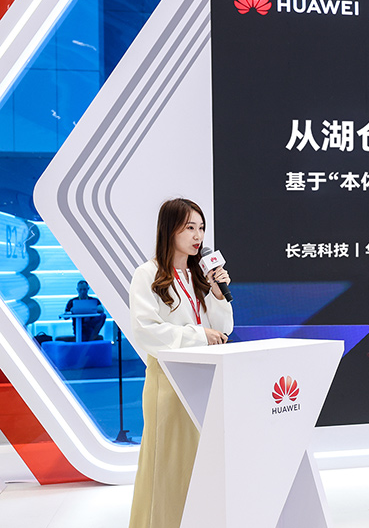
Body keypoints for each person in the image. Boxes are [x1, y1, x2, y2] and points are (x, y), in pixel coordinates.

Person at [128, 198, 234, 528]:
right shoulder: (147, 274)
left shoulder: (199, 275)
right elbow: (145, 331)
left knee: (203, 466)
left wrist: (218, 294)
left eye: (201, 228)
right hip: (168, 384)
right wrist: (198, 335)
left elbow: (223, 330)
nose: (197, 235)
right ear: (169, 229)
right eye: (189, 227)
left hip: (206, 381)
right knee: (167, 466)